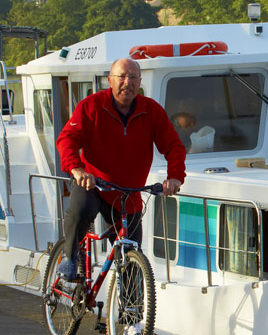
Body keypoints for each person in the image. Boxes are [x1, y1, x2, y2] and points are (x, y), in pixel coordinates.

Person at [55, 57, 187, 279]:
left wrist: (175, 177)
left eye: (133, 77)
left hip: (129, 193)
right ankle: (70, 256)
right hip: (94, 184)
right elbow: (67, 139)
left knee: (131, 258)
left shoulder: (151, 110)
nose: (128, 82)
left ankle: (132, 311)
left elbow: (174, 146)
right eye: (122, 77)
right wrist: (77, 169)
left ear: (140, 82)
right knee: (80, 211)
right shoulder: (91, 106)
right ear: (110, 80)